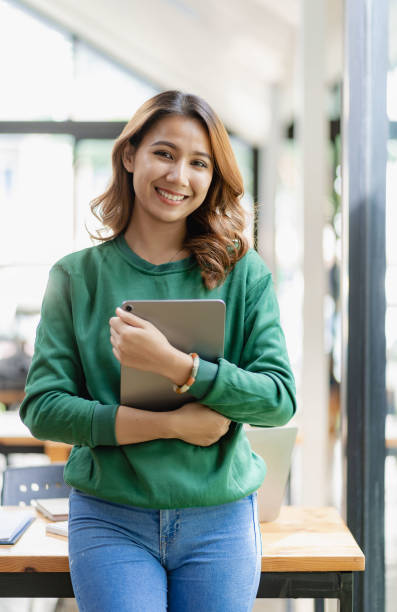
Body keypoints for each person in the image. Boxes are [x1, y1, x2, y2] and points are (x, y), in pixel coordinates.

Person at [20, 90, 296, 612]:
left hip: (220, 521)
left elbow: (278, 399)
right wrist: (171, 424)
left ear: (213, 178)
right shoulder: (76, 276)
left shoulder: (243, 274)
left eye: (199, 163)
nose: (179, 176)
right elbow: (43, 408)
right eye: (164, 153)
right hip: (110, 517)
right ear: (130, 156)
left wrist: (176, 365)